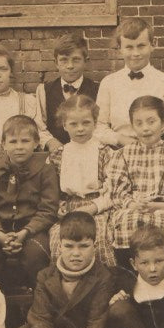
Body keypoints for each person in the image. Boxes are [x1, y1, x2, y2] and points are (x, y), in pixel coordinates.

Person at [107, 96, 164, 262]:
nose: (145, 128)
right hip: (133, 207)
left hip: (163, 208)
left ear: (163, 123)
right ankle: (129, 270)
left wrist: (160, 205)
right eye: (139, 123)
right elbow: (117, 192)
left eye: (151, 121)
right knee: (128, 220)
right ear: (132, 126)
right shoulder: (123, 155)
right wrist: (133, 204)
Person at [0, 115, 59, 287]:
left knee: (36, 253)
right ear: (4, 143)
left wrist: (25, 233)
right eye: (13, 142)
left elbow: (48, 209)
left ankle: (38, 302)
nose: (19, 147)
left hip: (32, 230)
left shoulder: (46, 169)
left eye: (25, 141)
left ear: (36, 143)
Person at [48, 93, 116, 268]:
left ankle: (104, 284)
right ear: (64, 125)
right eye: (73, 124)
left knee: (98, 238)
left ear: (94, 123)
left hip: (98, 209)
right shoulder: (58, 156)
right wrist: (58, 206)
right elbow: (49, 189)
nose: (80, 129)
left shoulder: (105, 152)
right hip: (69, 208)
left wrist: (94, 207)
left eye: (86, 122)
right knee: (59, 240)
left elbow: (113, 191)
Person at [96, 19, 164, 147]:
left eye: (141, 46)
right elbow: (99, 126)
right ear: (120, 49)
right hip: (121, 150)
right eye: (129, 47)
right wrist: (120, 139)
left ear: (152, 45)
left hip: (160, 149)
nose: (135, 53)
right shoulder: (108, 83)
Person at [36, 32, 99, 148]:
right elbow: (40, 127)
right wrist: (50, 142)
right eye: (64, 60)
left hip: (89, 150)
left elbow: (101, 125)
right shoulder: (44, 91)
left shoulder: (98, 90)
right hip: (56, 153)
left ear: (85, 61)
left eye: (76, 60)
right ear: (56, 63)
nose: (70, 66)